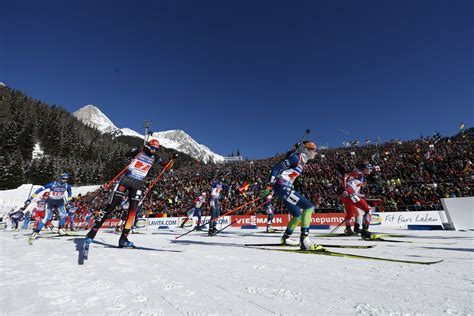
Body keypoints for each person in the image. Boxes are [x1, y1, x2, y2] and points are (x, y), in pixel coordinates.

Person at [85, 139, 176, 248]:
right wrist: (133, 152)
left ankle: (124, 239)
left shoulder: (155, 157)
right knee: (111, 206)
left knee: (132, 212)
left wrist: (173, 160)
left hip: (137, 184)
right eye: (152, 148)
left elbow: (167, 167)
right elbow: (127, 154)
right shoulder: (141, 150)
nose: (153, 150)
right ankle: (92, 233)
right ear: (149, 146)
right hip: (126, 179)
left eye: (156, 149)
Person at [268, 141, 319, 250]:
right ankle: (304, 240)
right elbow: (277, 167)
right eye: (312, 149)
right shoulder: (297, 158)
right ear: (305, 149)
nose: (315, 152)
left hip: (285, 188)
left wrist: (290, 152)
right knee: (308, 207)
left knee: (297, 216)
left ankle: (286, 238)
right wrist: (270, 183)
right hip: (282, 187)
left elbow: (285, 165)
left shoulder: (301, 160)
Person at [26, 173, 72, 243]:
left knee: (63, 215)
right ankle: (36, 232)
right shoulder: (52, 184)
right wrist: (30, 199)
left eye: (66, 179)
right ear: (60, 178)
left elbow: (69, 192)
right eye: (63, 179)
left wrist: (69, 201)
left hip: (60, 202)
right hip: (50, 202)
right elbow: (39, 190)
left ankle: (60, 229)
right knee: (46, 218)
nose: (65, 180)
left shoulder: (67, 186)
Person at [339, 163, 375, 239]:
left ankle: (349, 229)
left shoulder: (359, 176)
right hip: (349, 193)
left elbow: (353, 188)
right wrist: (345, 189)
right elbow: (345, 176)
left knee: (352, 214)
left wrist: (362, 195)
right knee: (368, 210)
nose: (370, 170)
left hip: (345, 195)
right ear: (364, 169)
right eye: (369, 168)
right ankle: (364, 231)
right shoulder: (359, 173)